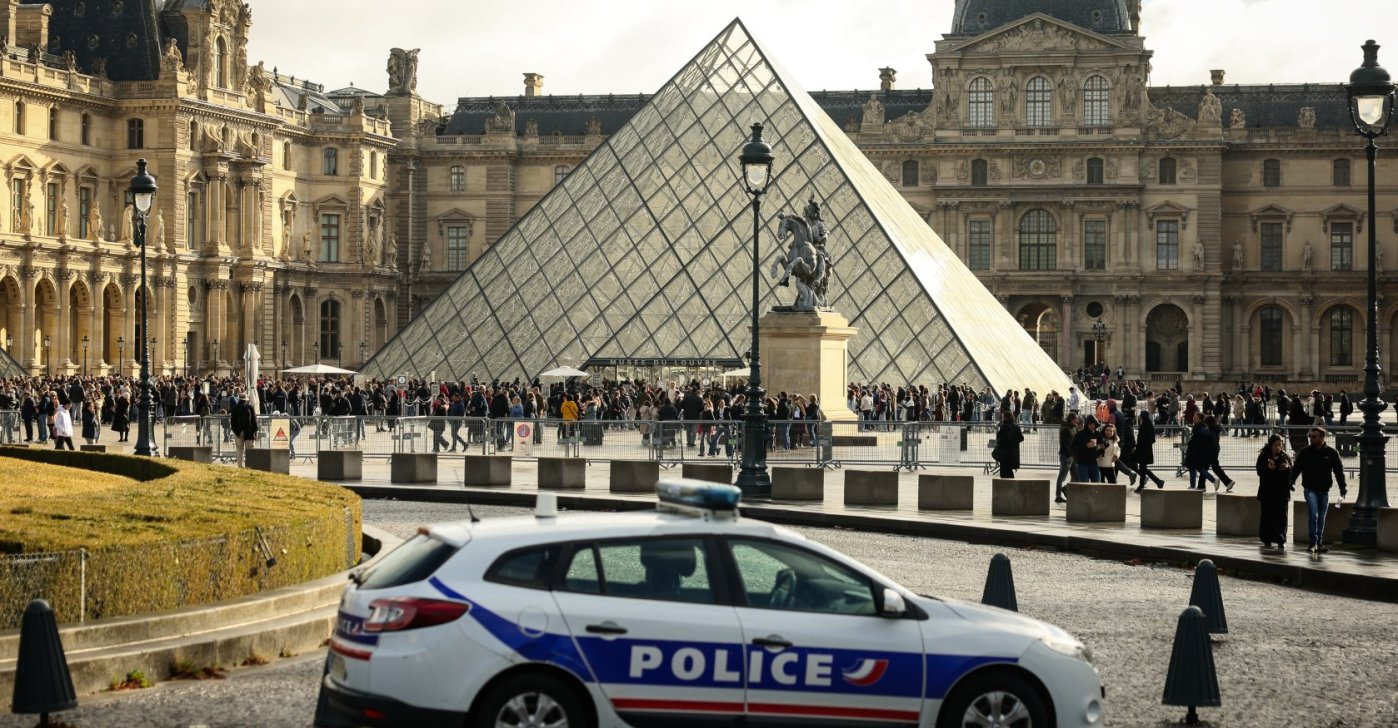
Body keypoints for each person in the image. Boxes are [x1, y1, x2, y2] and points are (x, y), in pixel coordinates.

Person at [1290, 427, 1348, 554]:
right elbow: (1296, 468)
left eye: (1314, 437)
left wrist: (1342, 487)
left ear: (1322, 438)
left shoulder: (1332, 453)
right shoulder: (1305, 452)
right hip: (1310, 489)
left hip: (1324, 490)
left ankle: (1319, 543)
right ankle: (1312, 542)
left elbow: (1339, 471)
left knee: (1321, 517)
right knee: (1313, 513)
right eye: (1310, 436)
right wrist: (1291, 481)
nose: (1311, 439)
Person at [1256, 433, 1293, 549]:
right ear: (1271, 445)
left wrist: (1287, 469)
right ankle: (1267, 538)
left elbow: (1292, 474)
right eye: (1276, 445)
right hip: (1267, 491)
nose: (1278, 448)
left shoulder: (1285, 457)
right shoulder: (1264, 456)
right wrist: (1269, 469)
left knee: (1281, 516)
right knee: (1267, 515)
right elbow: (1260, 472)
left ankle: (1281, 538)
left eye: (1280, 445)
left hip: (1281, 492)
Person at [1133, 408, 1167, 491]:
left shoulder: (1146, 425)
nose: (1139, 417)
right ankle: (1157, 482)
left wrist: (1140, 446)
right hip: (1144, 450)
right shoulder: (1147, 424)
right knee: (1143, 468)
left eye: (1140, 416)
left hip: (1143, 450)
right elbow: (1152, 439)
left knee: (1143, 468)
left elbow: (1146, 439)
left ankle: (1153, 482)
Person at [1184, 414, 1218, 490]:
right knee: (1193, 467)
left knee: (1198, 468)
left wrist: (1190, 443)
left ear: (1200, 419)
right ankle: (1192, 485)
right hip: (1196, 451)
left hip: (1196, 452)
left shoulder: (1199, 428)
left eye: (1195, 418)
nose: (1194, 419)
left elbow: (1196, 440)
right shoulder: (1202, 427)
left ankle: (1213, 480)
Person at [1071, 416, 1104, 483]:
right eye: (1090, 424)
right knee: (1085, 486)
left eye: (1094, 424)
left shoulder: (1097, 434)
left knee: (1097, 485)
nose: (1092, 426)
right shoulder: (1080, 434)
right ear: (1087, 424)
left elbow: (1103, 444)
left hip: (1094, 463)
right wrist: (1085, 446)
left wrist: (1101, 447)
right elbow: (1074, 447)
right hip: (1082, 464)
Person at [992, 409, 1023, 479]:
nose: (1002, 418)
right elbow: (1021, 438)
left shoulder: (1004, 427)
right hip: (1013, 453)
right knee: (1009, 473)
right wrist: (1014, 441)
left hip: (1004, 454)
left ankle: (1007, 489)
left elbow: (1001, 440)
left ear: (1005, 418)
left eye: (1003, 417)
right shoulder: (1016, 427)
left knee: (1004, 474)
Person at [1055, 414, 1079, 502]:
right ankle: (1058, 495)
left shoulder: (1072, 428)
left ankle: (1065, 489)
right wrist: (1071, 454)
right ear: (1072, 420)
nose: (1077, 421)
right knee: (1062, 475)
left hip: (1071, 455)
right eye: (1076, 419)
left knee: (1076, 476)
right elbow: (1065, 444)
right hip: (1066, 455)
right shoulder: (1066, 429)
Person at [229, 393, 258, 467]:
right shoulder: (250, 407)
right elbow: (254, 420)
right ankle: (249, 466)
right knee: (249, 450)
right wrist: (255, 430)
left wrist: (235, 431)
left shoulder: (235, 408)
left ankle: (240, 466)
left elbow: (232, 421)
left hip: (239, 431)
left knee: (239, 450)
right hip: (249, 431)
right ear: (246, 400)